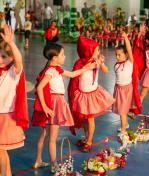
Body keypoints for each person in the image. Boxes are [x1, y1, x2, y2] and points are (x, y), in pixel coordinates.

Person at [31, 43, 96, 173]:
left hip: (54, 102)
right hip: (54, 104)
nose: (64, 56)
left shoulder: (56, 68)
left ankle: (38, 160)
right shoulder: (51, 71)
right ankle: (54, 165)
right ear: (55, 58)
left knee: (44, 135)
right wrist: (45, 107)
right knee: (52, 139)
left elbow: (72, 74)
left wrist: (86, 67)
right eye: (62, 54)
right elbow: (39, 88)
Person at [68, 35, 114, 152]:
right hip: (82, 95)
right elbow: (75, 77)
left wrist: (102, 63)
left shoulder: (97, 61)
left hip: (92, 95)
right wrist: (86, 67)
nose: (99, 51)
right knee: (84, 119)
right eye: (97, 49)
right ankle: (87, 136)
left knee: (90, 119)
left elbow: (106, 70)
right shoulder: (80, 63)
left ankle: (89, 141)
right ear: (88, 51)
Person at [0, 25, 29, 176]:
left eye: (4, 56)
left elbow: (19, 60)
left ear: (11, 57)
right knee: (1, 152)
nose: (0, 59)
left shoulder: (13, 72)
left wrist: (11, 43)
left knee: (1, 152)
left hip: (5, 117)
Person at [112, 32, 141, 134]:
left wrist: (125, 38)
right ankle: (126, 124)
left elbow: (129, 49)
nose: (117, 57)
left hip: (127, 90)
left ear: (126, 55)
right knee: (121, 110)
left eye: (119, 55)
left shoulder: (129, 63)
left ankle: (123, 130)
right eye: (116, 54)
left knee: (122, 111)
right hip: (118, 89)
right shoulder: (116, 65)